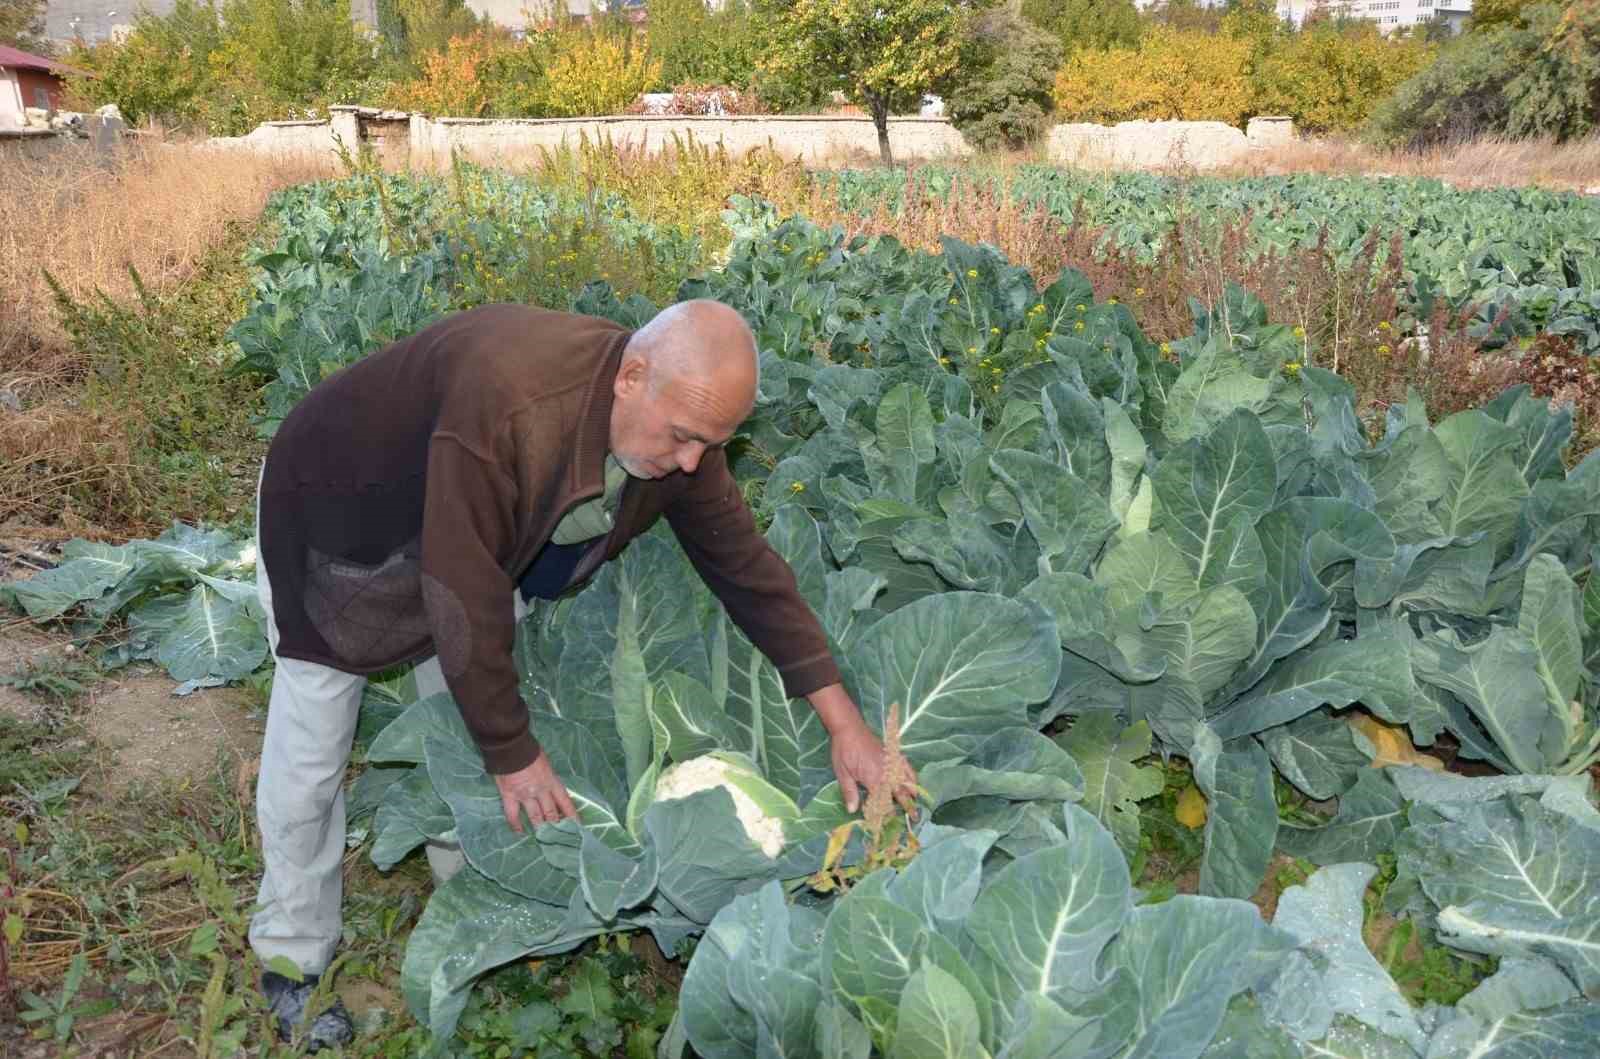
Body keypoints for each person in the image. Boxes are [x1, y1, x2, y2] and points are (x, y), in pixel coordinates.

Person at [249, 299, 916, 1049]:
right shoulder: (509, 407)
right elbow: (461, 593)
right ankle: (291, 953)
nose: (693, 462)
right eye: (685, 438)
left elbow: (748, 570)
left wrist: (844, 720)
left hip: (463, 528)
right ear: (632, 377)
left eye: (711, 444)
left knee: (476, 710)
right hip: (342, 512)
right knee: (315, 749)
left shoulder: (676, 425)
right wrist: (512, 751)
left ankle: (471, 890)